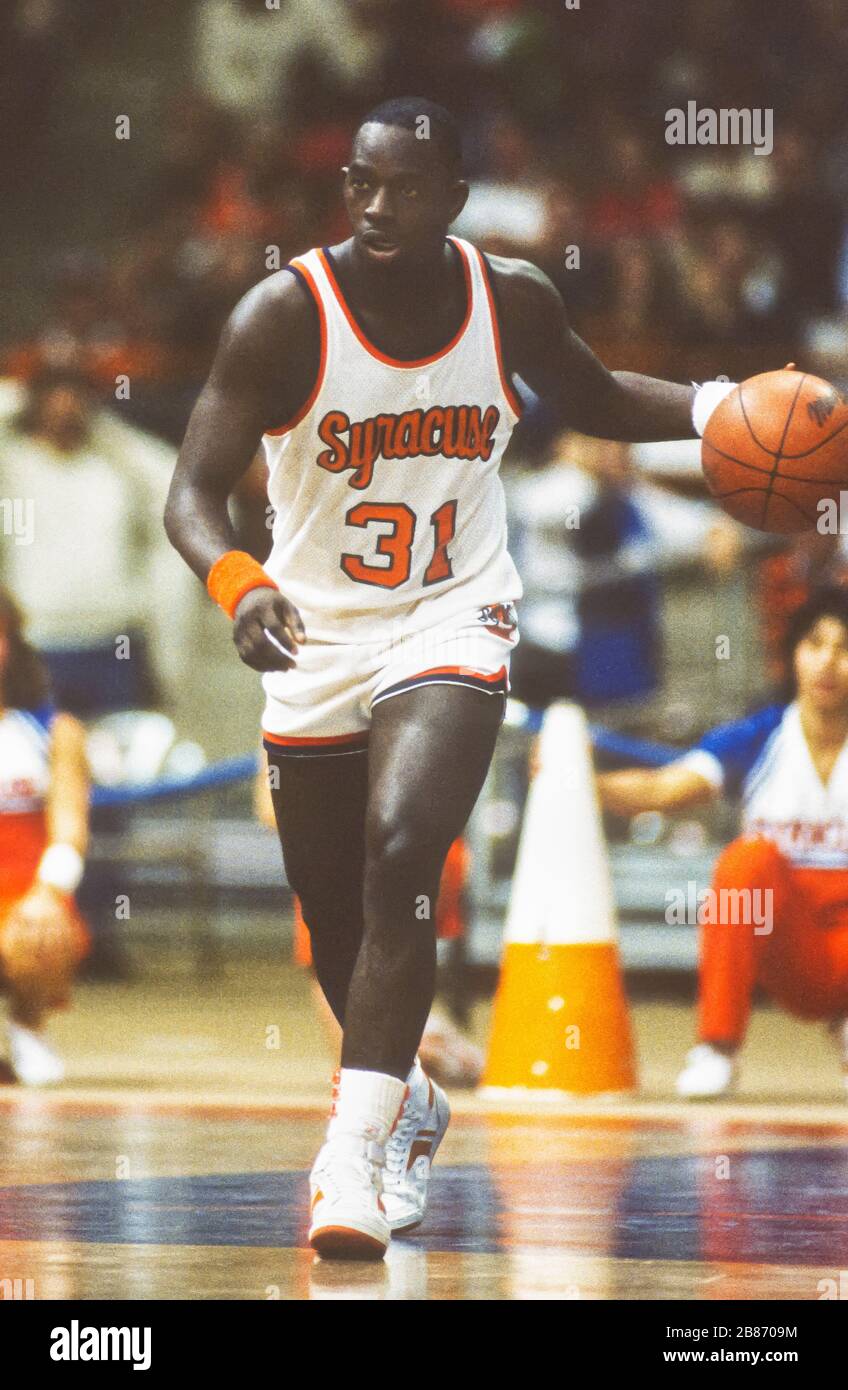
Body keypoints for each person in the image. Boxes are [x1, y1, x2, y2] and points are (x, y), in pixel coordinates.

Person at [164, 96, 740, 1259]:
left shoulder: (510, 299)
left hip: (453, 614)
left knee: (399, 851)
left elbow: (589, 398)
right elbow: (190, 493)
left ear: (455, 199)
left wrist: (717, 407)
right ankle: (412, 1101)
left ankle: (349, 1153)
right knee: (339, 918)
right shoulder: (282, 316)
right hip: (313, 631)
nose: (377, 207)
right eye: (360, 184)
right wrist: (237, 580)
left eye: (404, 187)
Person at [596, 587, 848, 1100]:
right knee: (745, 861)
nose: (828, 662)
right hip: (792, 946)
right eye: (815, 644)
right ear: (793, 653)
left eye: (845, 649)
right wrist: (578, 778)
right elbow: (662, 790)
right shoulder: (758, 739)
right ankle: (717, 1047)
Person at [0, 588, 90, 1084]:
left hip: (21, 898)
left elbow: (69, 828)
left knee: (41, 933)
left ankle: (27, 1028)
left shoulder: (53, 731)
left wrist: (48, 894)